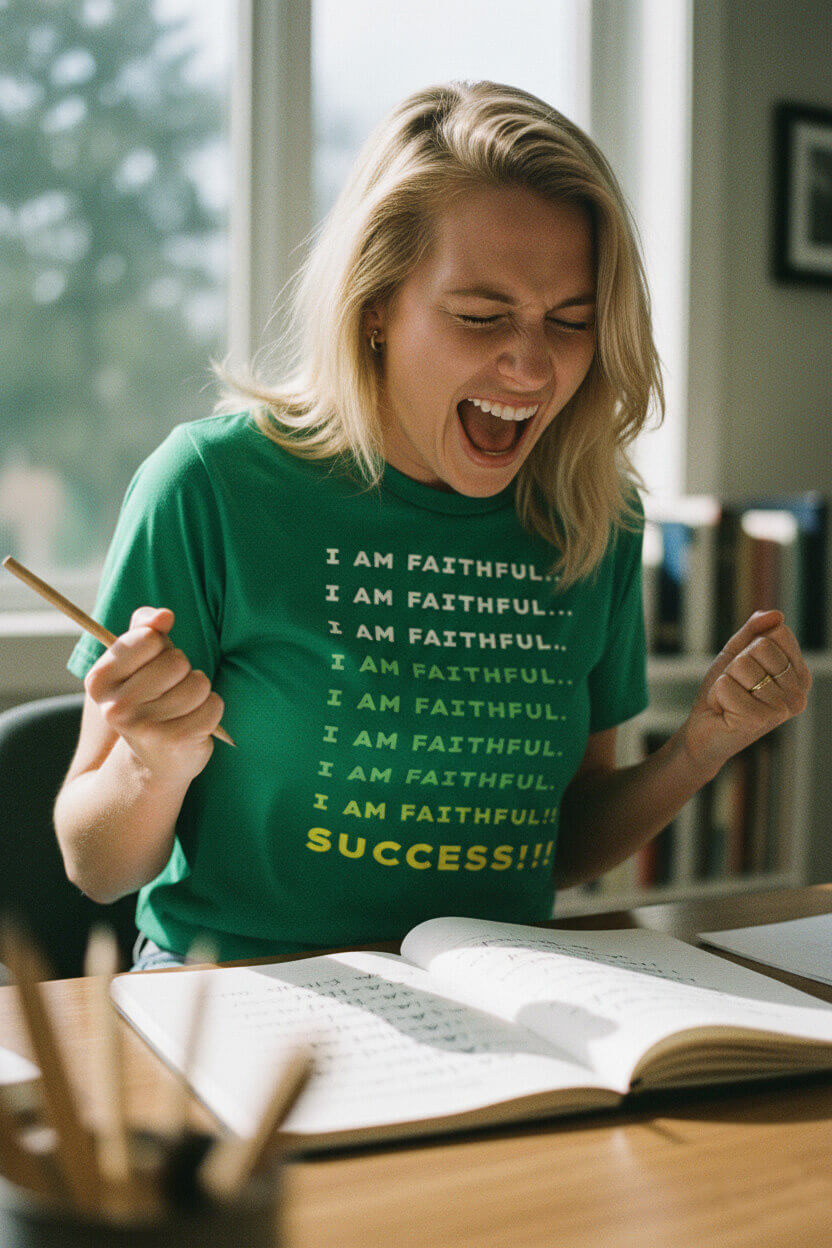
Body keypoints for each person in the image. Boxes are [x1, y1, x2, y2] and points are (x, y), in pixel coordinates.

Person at [54, 81, 811, 970]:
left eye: (570, 322)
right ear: (375, 306)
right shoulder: (210, 486)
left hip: (497, 996)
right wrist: (152, 763)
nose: (530, 365)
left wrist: (697, 750)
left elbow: (556, 846)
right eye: (481, 316)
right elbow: (95, 865)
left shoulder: (595, 517)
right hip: (239, 998)